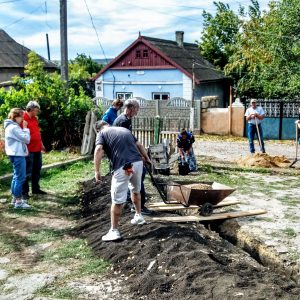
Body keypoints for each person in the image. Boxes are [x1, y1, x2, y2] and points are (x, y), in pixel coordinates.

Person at [94, 121, 152, 241]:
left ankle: (114, 231)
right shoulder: (124, 130)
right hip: (137, 163)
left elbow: (99, 149)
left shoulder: (102, 133)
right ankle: (139, 216)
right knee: (136, 190)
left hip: (123, 166)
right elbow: (140, 145)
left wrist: (97, 171)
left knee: (117, 199)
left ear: (98, 130)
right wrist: (146, 158)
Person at [113, 99, 152, 215]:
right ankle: (138, 206)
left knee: (133, 178)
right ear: (131, 108)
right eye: (136, 109)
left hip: (125, 156)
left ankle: (132, 203)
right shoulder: (123, 121)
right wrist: (143, 156)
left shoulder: (125, 119)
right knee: (138, 178)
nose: (137, 111)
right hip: (125, 158)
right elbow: (132, 142)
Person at [4, 108, 31, 209]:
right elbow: (27, 139)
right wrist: (25, 128)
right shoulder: (14, 128)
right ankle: (19, 202)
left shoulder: (10, 126)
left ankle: (15, 199)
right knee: (20, 177)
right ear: (16, 117)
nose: (23, 119)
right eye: (21, 117)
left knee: (16, 176)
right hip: (18, 155)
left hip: (14, 154)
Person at [22, 100, 47, 198]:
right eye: (36, 110)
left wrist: (42, 144)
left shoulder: (35, 118)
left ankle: (36, 189)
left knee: (37, 169)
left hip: (37, 148)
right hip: (28, 149)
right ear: (31, 109)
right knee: (27, 171)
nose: (37, 112)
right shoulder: (23, 118)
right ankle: (25, 192)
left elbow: (37, 132)